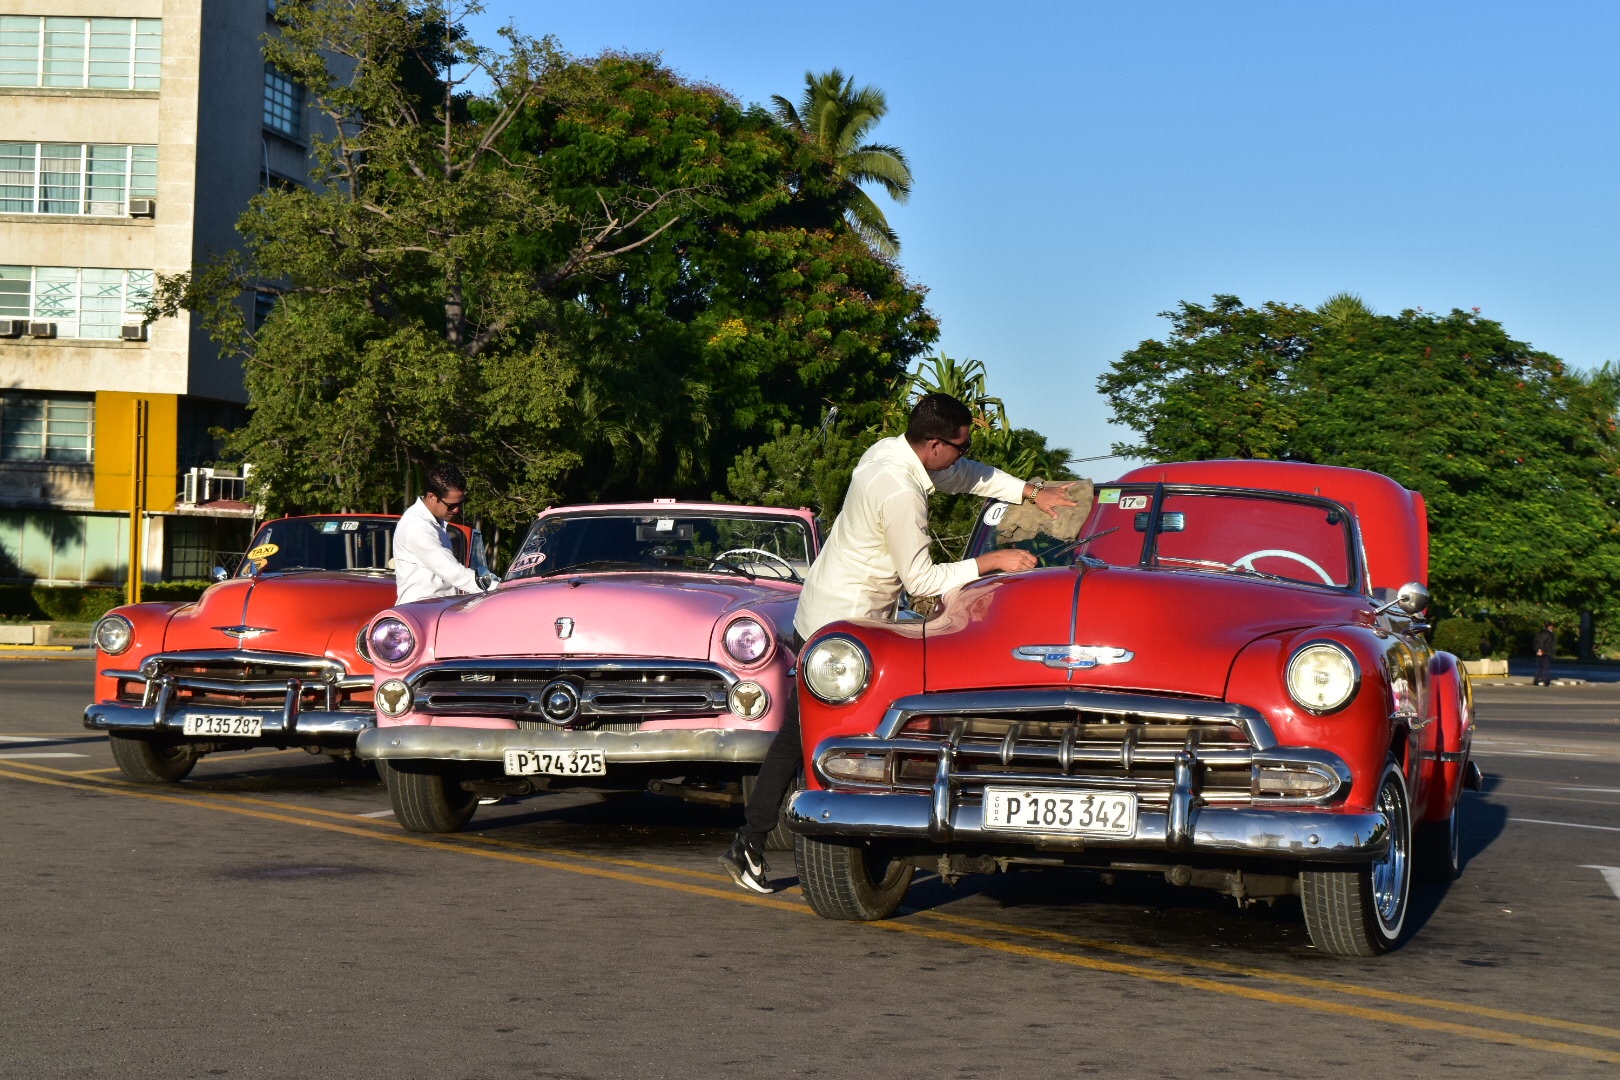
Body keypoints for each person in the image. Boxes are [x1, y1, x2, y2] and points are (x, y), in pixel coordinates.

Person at [719, 393, 1079, 893]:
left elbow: (964, 475)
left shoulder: (888, 451)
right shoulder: (899, 491)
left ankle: (756, 843)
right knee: (826, 740)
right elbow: (923, 580)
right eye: (959, 444)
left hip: (826, 612)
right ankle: (781, 847)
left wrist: (1029, 491)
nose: (962, 452)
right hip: (843, 623)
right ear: (933, 444)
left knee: (799, 739)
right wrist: (994, 563)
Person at [393, 462, 485, 604]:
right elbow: (454, 572)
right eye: (451, 505)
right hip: (420, 611)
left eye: (460, 503)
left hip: (437, 608)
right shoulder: (416, 527)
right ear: (431, 497)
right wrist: (498, 587)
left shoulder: (436, 521)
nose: (456, 510)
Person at [1532, 621, 1556, 687]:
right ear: (1550, 626)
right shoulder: (1546, 633)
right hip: (1545, 652)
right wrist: (1539, 650)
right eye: (1552, 626)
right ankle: (1546, 681)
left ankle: (1536, 680)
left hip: (1544, 652)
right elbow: (1540, 642)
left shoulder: (1543, 632)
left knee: (1541, 667)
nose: (1552, 627)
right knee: (1545, 667)